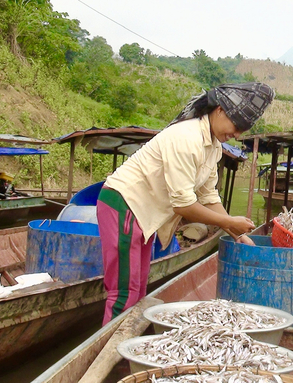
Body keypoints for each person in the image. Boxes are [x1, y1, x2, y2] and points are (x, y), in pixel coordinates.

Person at [96, 82, 275, 324]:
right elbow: (183, 205)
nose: (237, 135)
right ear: (220, 110)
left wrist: (236, 234)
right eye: (237, 126)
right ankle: (112, 355)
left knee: (138, 290)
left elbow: (209, 196)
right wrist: (229, 221)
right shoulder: (186, 137)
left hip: (146, 215)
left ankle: (123, 347)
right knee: (123, 293)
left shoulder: (213, 148)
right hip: (124, 204)